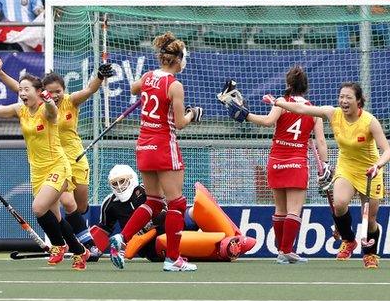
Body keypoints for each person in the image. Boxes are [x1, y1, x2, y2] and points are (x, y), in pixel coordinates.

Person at [0, 74, 91, 270]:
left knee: (38, 208)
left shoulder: (47, 110)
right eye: (20, 89)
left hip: (58, 166)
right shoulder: (20, 110)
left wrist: (48, 101)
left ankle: (58, 245)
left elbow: (52, 110)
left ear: (39, 92)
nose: (22, 93)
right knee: (54, 216)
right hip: (37, 170)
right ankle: (80, 251)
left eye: (26, 89)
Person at [0, 57, 113, 260]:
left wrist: (99, 76)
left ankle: (80, 240)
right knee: (66, 202)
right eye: (51, 92)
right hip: (56, 162)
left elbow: (90, 89)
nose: (55, 95)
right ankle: (84, 246)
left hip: (75, 158)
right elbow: (21, 89)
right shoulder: (39, 106)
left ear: (63, 90)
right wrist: (0, 74)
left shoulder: (70, 101)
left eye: (59, 91)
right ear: (43, 92)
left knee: (79, 207)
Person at [263, 82, 390, 269]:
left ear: (358, 101)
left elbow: (386, 149)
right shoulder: (333, 113)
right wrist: (279, 103)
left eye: (348, 97)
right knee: (339, 204)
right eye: (341, 97)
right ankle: (348, 239)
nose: (344, 101)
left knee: (370, 219)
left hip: (371, 170)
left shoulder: (369, 122)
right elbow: (301, 109)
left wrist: (378, 165)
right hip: (346, 167)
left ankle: (370, 254)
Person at [108, 32, 202, 272]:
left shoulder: (148, 76)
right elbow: (180, 123)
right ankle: (173, 259)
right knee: (177, 204)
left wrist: (148, 92)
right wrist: (194, 114)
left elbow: (133, 88)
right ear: (177, 59)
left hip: (144, 145)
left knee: (153, 202)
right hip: (163, 145)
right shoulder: (175, 85)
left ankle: (122, 238)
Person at [224, 66, 329, 264]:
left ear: (288, 84)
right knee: (294, 210)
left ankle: (282, 251)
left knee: (280, 209)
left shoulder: (281, 103)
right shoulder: (314, 110)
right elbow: (321, 142)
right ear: (305, 87)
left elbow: (267, 121)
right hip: (298, 162)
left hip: (276, 160)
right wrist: (325, 165)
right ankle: (286, 251)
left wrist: (246, 115)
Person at [90, 165, 256, 262]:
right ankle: (225, 248)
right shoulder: (109, 203)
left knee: (196, 210)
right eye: (115, 183)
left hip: (170, 226)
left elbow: (165, 213)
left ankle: (235, 236)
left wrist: (153, 222)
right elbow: (104, 229)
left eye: (122, 181)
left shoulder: (147, 189)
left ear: (131, 179)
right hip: (151, 246)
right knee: (165, 242)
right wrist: (92, 250)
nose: (119, 186)